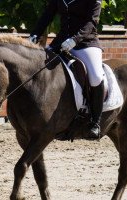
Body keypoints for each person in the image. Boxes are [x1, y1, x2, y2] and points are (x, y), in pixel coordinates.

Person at [29, 0, 105, 139]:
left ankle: (95, 122)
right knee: (40, 67)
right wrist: (34, 34)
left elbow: (91, 21)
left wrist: (75, 40)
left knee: (96, 77)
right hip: (61, 42)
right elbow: (47, 15)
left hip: (86, 42)